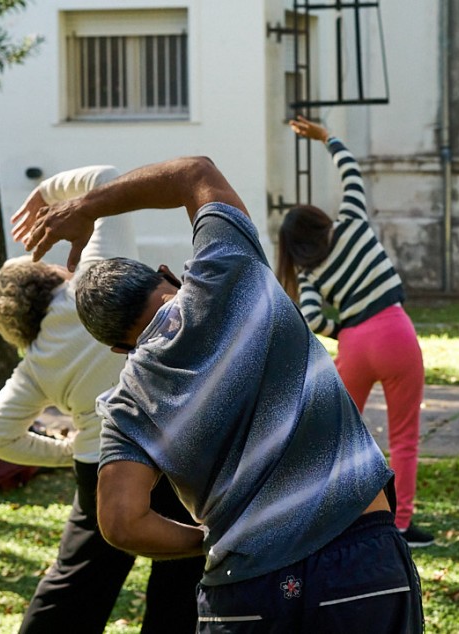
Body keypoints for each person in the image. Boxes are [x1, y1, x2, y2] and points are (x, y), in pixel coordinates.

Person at [22, 154, 424, 633]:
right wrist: (89, 205)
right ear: (168, 274)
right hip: (358, 566)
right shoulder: (230, 270)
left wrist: (208, 539)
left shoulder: (128, 403)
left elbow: (121, 521)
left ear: (117, 347)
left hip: (242, 593)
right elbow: (196, 172)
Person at [0, 166, 204, 634]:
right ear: (46, 274)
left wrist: (64, 452)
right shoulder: (96, 274)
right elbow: (106, 175)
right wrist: (45, 194)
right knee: (182, 575)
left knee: (76, 583)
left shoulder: (37, 360)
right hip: (173, 446)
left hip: (100, 465)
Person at [275, 116, 433, 547]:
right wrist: (328, 137)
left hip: (354, 345)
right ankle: (400, 525)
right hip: (395, 332)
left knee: (337, 434)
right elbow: (352, 173)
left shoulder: (308, 274)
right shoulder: (352, 223)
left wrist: (342, 327)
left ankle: (325, 513)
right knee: (404, 437)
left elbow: (310, 319)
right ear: (318, 220)